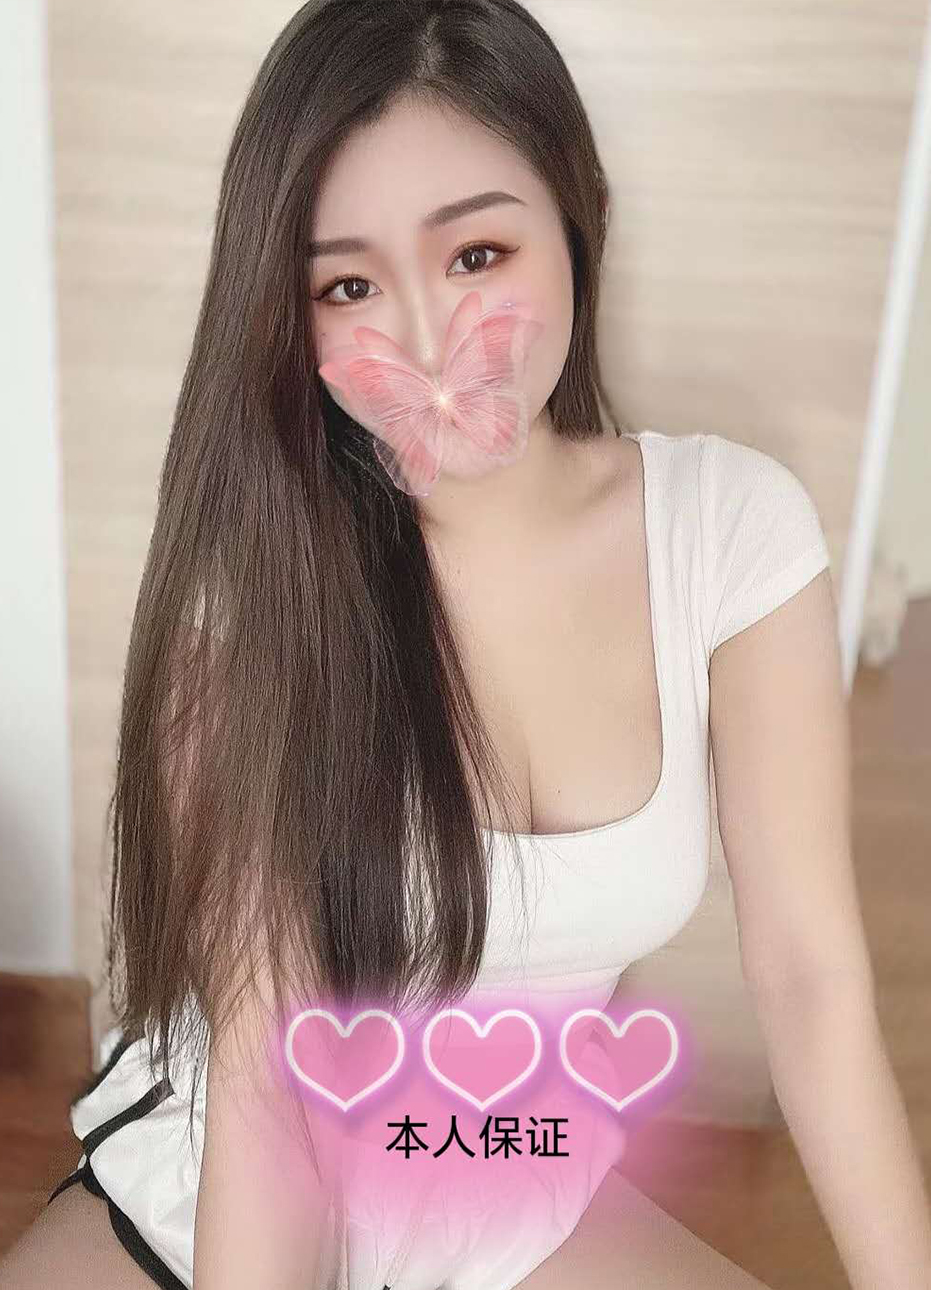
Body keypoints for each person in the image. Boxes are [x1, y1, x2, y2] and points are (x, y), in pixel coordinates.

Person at [5, 1, 930, 1288]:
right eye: (347, 285)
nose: (429, 339)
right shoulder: (258, 602)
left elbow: (811, 984)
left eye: (477, 254)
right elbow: (272, 1092)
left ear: (579, 220)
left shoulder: (730, 534)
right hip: (230, 1178)